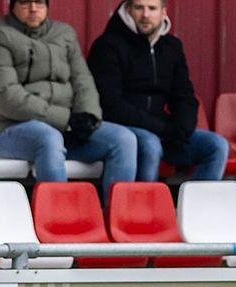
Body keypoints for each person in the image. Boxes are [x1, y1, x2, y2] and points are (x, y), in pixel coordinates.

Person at [0, 0, 137, 203]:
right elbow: (6, 96)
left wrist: (88, 116)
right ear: (12, 6)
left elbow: (82, 80)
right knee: (48, 137)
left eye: (39, 2)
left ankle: (116, 216)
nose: (33, 8)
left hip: (63, 128)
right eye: (25, 2)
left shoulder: (64, 34)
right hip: (10, 129)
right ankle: (58, 215)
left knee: (123, 139)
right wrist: (67, 119)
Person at [87, 0, 228, 184]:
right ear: (128, 10)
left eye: (152, 8)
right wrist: (163, 129)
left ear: (163, 12)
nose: (145, 15)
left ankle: (196, 201)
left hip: (163, 130)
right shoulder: (107, 45)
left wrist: (183, 128)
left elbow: (184, 95)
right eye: (139, 8)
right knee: (151, 144)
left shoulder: (172, 46)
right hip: (124, 128)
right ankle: (145, 201)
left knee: (216, 146)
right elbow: (111, 104)